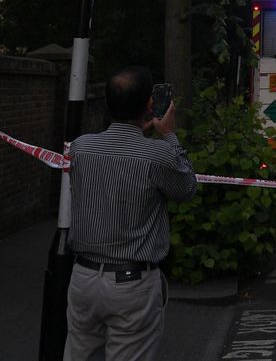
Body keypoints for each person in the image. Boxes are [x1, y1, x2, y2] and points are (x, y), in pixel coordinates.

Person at [65, 66, 197, 361]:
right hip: (131, 284)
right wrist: (170, 136)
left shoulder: (80, 148)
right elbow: (187, 189)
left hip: (83, 278)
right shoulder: (159, 155)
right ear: (151, 104)